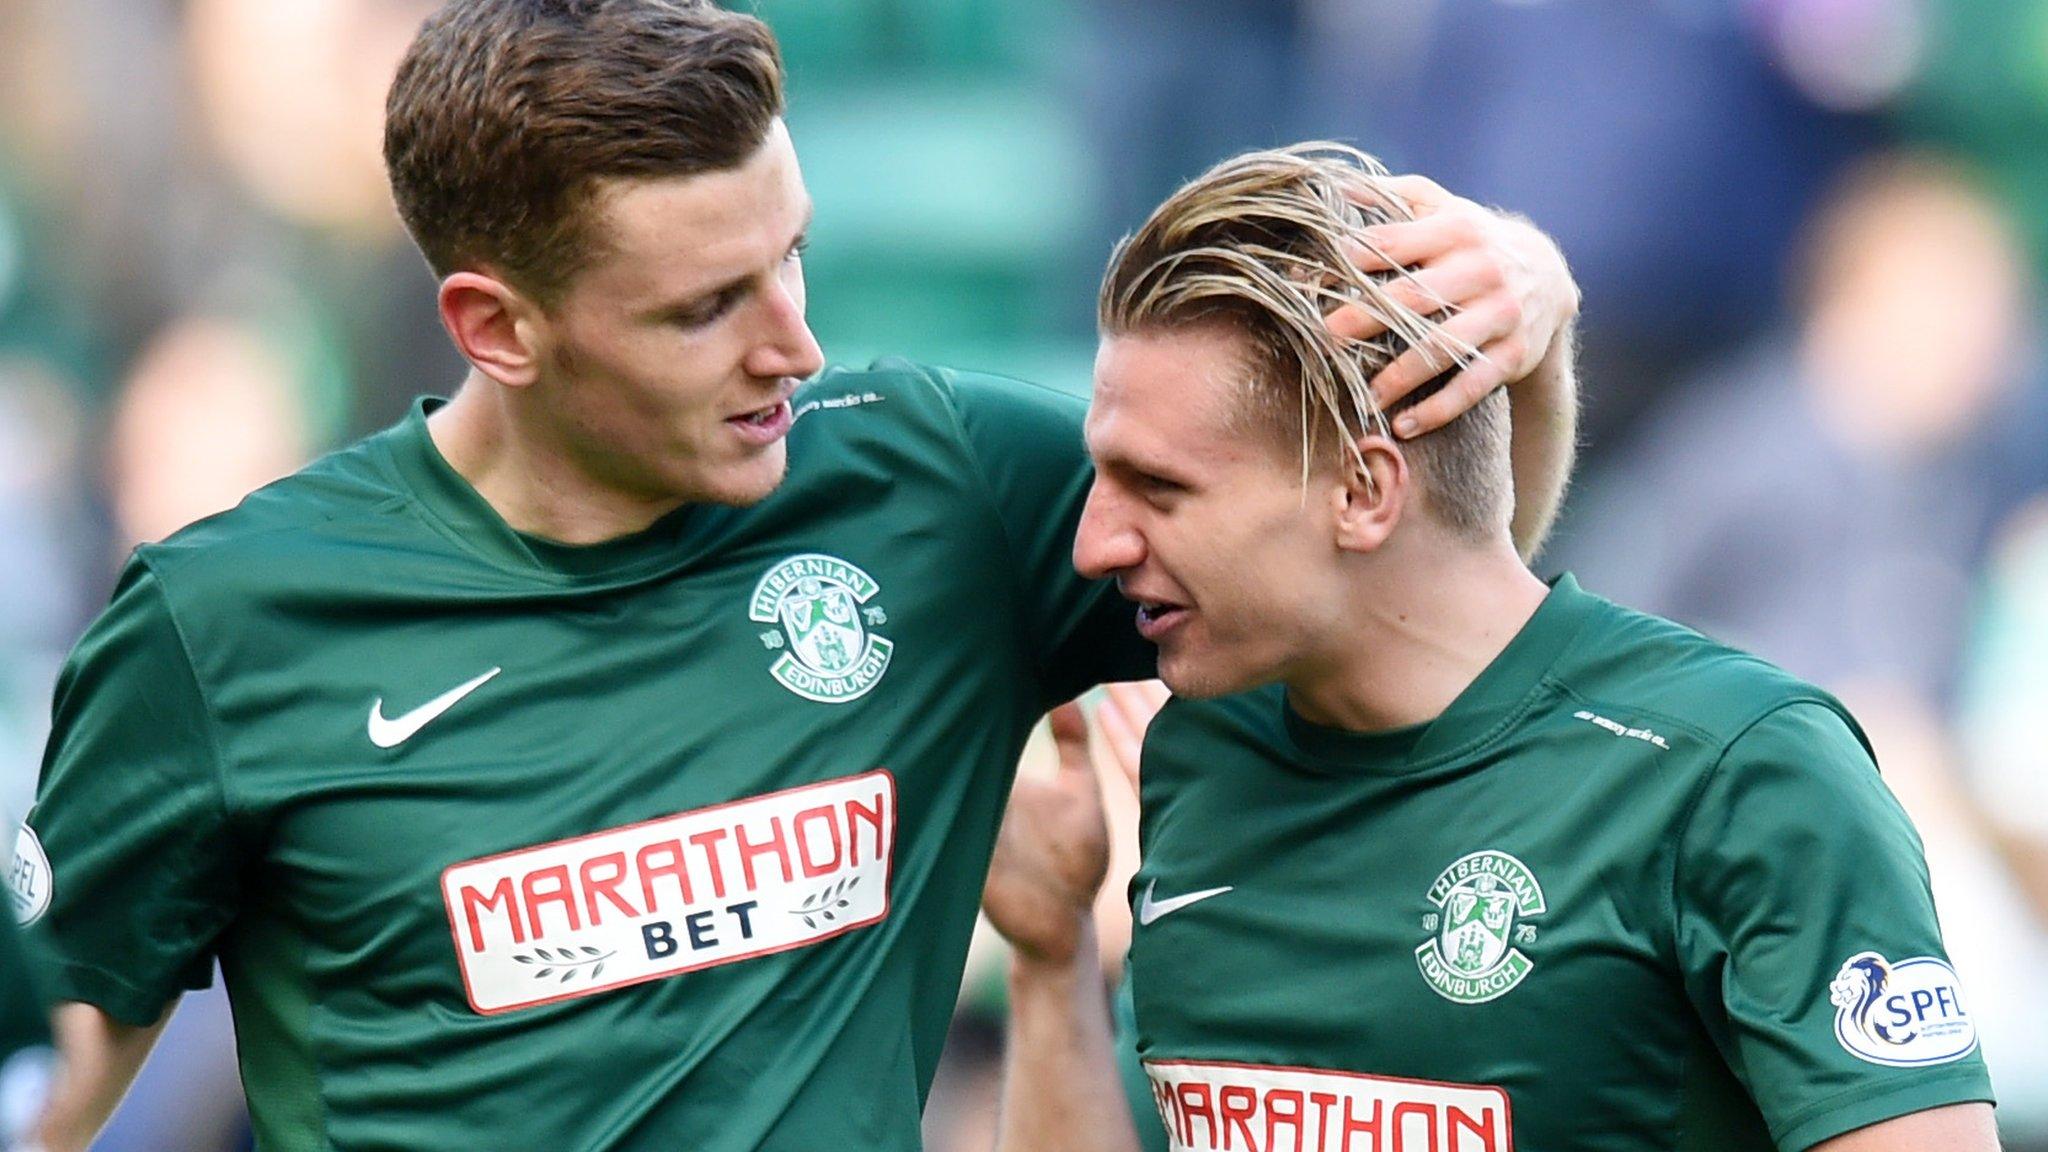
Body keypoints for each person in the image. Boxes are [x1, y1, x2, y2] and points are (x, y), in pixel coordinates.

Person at [10, 4, 1582, 1150]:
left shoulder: (933, 490)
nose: (796, 344)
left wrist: (1525, 313)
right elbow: (57, 1080)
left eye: (795, 254)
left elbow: (1438, 595)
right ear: (497, 326)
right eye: (706, 309)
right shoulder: (227, 629)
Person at [984, 144, 1998, 1151]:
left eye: (1158, 489)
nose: (1092, 543)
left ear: (1360, 493)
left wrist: (1538, 313)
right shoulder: (1199, 754)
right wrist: (1048, 960)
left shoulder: (1738, 774)